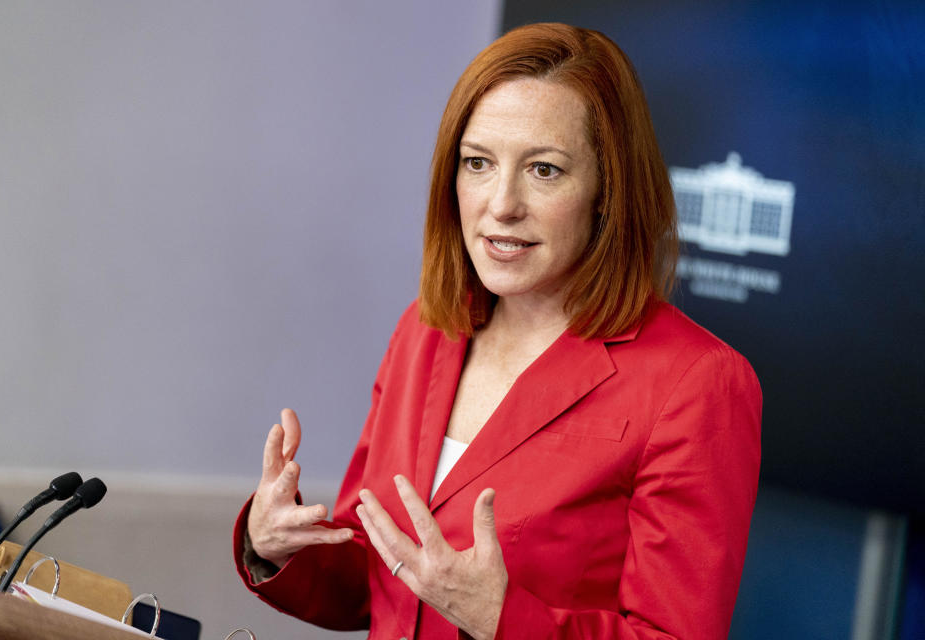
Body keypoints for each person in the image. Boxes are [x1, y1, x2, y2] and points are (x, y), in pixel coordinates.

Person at [234, 22, 761, 640]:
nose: (501, 203)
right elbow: (376, 582)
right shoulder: (426, 329)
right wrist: (274, 543)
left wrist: (501, 618)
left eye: (544, 170)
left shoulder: (696, 382)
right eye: (478, 163)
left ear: (606, 192)